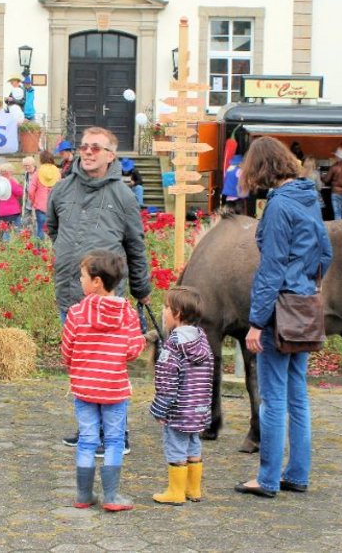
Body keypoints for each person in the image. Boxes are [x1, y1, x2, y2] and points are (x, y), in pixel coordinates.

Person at [235, 136, 332, 499]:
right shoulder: (309, 199)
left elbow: (271, 269)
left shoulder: (278, 206)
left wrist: (257, 322)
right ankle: (298, 474)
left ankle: (268, 478)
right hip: (304, 305)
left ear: (262, 168)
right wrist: (307, 283)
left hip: (280, 310)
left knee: (272, 398)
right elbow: (326, 252)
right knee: (297, 396)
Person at [48, 126, 151, 453]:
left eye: (96, 147)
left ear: (110, 155)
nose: (88, 152)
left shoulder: (122, 196)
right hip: (71, 294)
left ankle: (118, 435)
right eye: (84, 147)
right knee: (81, 365)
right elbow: (53, 230)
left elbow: (136, 245)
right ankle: (89, 429)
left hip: (108, 301)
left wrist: (141, 288)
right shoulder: (62, 190)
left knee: (108, 368)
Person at [61, 249, 145, 512]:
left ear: (97, 281)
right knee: (114, 440)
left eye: (83, 276)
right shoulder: (128, 314)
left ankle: (84, 495)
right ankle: (111, 496)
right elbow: (133, 350)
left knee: (87, 439)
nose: (80, 280)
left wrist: (76, 366)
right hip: (114, 388)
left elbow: (67, 349)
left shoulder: (76, 313)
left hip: (84, 387)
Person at [150, 286, 213, 506]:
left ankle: (175, 492)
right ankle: (193, 489)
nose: (163, 311)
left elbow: (167, 382)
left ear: (177, 314)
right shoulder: (202, 340)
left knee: (175, 446)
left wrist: (159, 409)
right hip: (199, 409)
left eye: (167, 307)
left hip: (178, 411)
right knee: (194, 444)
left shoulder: (174, 345)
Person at [27, 151, 59, 241]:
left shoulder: (38, 173)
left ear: (41, 160)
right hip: (54, 205)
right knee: (54, 229)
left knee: (40, 228)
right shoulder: (57, 172)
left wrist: (33, 201)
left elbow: (31, 190)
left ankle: (40, 251)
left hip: (40, 205)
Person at [0, 163, 23, 240]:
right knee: (17, 231)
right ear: (8, 172)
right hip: (12, 211)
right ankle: (18, 247)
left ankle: (5, 248)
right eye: (11, 171)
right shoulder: (10, 182)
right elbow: (20, 192)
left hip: (1, 211)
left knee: (5, 230)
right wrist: (18, 184)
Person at [325, 147, 342, 220]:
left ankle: (338, 231)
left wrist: (321, 177)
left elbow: (326, 180)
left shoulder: (334, 168)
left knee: (337, 214)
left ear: (337, 157)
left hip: (335, 192)